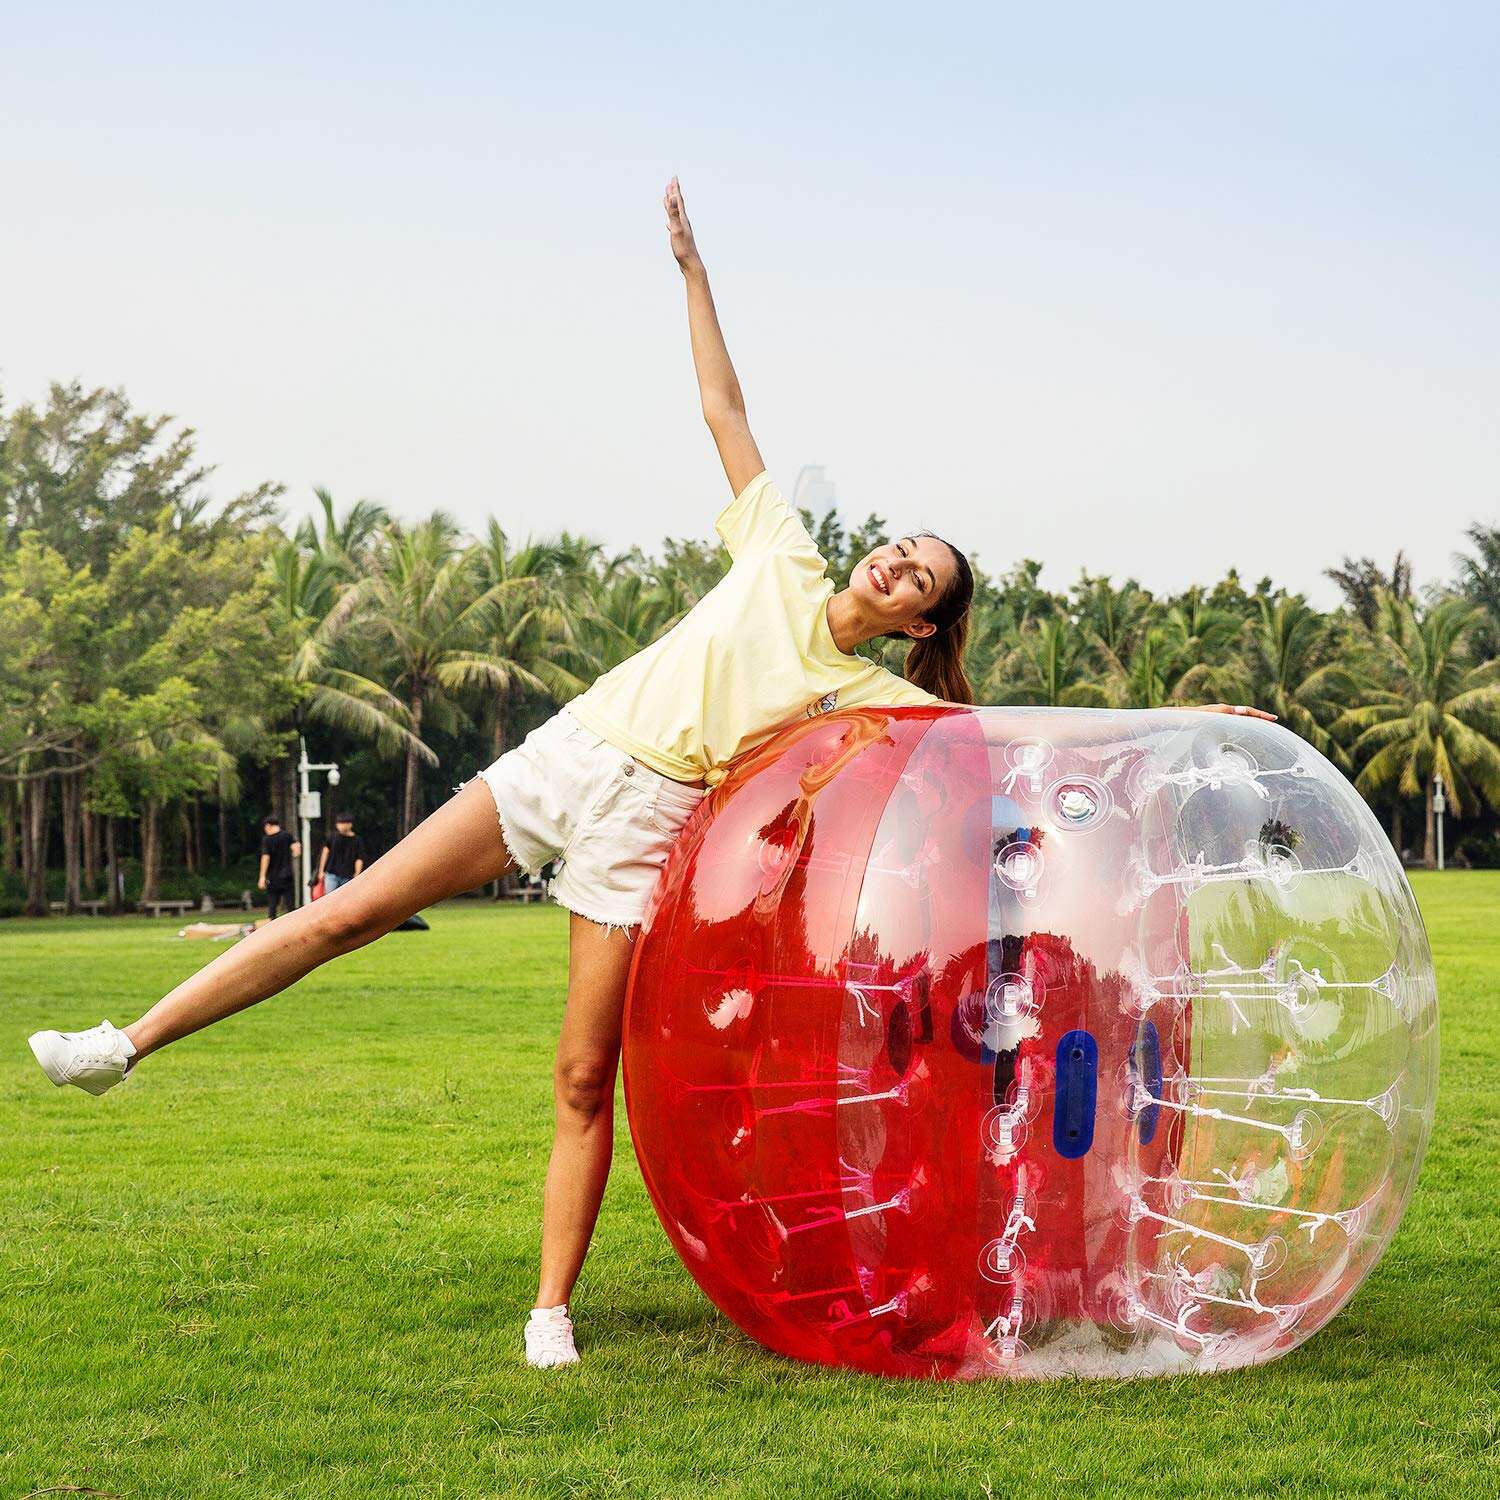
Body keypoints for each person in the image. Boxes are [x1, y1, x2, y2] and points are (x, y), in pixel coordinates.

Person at [26, 178, 1271, 1371]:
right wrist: (695, 272)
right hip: (567, 757)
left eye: (921, 580)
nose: (897, 564)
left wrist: (1181, 714)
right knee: (349, 912)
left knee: (583, 1072)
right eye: (900, 546)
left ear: (916, 625)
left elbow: (1016, 728)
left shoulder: (885, 698)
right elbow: (726, 413)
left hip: (649, 829)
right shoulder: (780, 555)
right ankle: (122, 1045)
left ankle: (551, 1310)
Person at [257, 815, 301, 920]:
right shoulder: (287, 836)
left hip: (273, 876)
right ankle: (293, 924)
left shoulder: (267, 840)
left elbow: (265, 858)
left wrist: (262, 876)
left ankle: (272, 924)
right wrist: (296, 851)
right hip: (287, 875)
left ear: (268, 826)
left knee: (272, 905)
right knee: (290, 904)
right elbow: (296, 851)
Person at [317, 813, 366, 894]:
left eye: (342, 823)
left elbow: (359, 859)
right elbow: (325, 853)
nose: (339, 826)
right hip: (331, 874)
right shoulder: (332, 837)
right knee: (330, 898)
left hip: (348, 876)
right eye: (338, 823)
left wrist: (357, 874)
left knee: (346, 900)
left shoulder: (357, 840)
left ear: (350, 824)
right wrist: (321, 870)